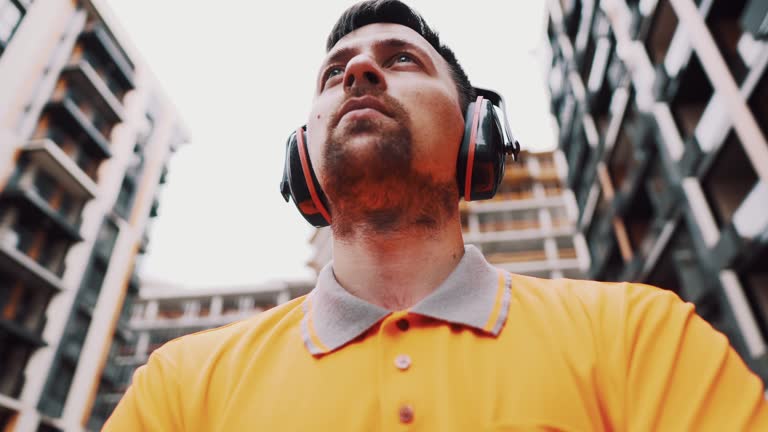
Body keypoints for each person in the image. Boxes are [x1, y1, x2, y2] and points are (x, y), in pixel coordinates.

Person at [104, 1, 768, 430]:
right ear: (301, 156)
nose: (359, 70)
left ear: (475, 132)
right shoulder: (179, 391)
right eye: (334, 73)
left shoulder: (640, 339)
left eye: (401, 60)